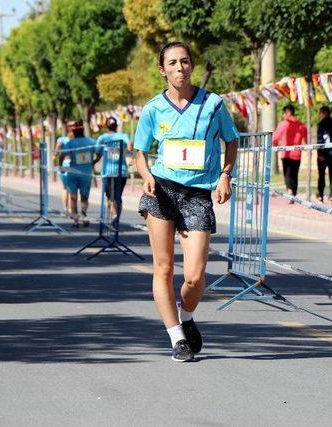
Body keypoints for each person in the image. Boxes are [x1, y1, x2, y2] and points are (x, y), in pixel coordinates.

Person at [134, 41, 239, 362]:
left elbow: (231, 141)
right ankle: (176, 337)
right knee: (163, 268)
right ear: (162, 70)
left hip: (197, 195)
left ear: (192, 65)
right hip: (162, 191)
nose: (180, 68)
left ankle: (188, 316)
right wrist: (146, 174)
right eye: (173, 63)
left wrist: (225, 175)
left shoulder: (214, 105)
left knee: (194, 276)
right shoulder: (153, 108)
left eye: (185, 61)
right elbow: (139, 151)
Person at [93, 117, 133, 227]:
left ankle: (115, 216)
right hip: (122, 172)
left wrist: (94, 162)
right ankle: (116, 218)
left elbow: (98, 153)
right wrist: (129, 154)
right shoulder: (123, 135)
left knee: (110, 196)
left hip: (108, 172)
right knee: (117, 196)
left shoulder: (102, 138)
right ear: (116, 126)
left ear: (106, 126)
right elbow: (129, 142)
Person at [59, 121, 95, 228]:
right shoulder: (91, 141)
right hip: (86, 173)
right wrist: (94, 161)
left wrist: (60, 166)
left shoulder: (71, 143)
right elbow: (99, 151)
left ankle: (75, 220)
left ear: (74, 131)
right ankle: (83, 214)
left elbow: (62, 154)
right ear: (83, 130)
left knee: (73, 197)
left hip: (73, 173)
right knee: (84, 197)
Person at [272, 104, 307, 203]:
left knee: (287, 175)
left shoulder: (283, 124)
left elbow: (274, 138)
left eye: (283, 113)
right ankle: (293, 194)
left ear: (287, 112)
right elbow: (306, 140)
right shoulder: (302, 125)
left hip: (286, 154)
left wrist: (275, 146)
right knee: (295, 175)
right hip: (297, 154)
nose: (283, 116)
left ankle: (290, 192)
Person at [316, 106, 332, 203]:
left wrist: (320, 154)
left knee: (321, 175)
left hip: (323, 153)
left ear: (323, 113)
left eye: (320, 113)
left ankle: (321, 195)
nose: (319, 115)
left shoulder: (320, 124)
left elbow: (320, 140)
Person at [55, 124, 74, 217]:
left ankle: (65, 209)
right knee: (72, 189)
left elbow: (57, 148)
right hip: (74, 165)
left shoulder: (61, 139)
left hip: (64, 164)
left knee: (65, 188)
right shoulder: (77, 141)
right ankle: (71, 209)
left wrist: (55, 154)